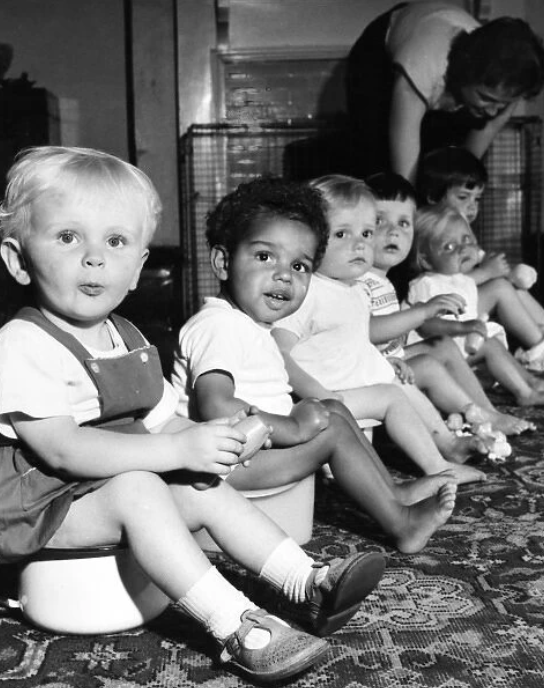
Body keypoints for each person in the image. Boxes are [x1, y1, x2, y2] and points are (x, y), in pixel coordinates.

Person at [0, 147, 387, 683]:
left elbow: (165, 421)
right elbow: (62, 449)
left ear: (139, 267)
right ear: (19, 259)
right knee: (142, 485)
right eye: (68, 237)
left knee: (195, 483)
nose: (94, 258)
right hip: (34, 506)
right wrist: (173, 450)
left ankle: (307, 580)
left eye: (115, 241)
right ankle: (236, 625)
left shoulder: (130, 339)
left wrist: (211, 439)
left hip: (98, 489)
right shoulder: (23, 343)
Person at [171, 175, 467, 555]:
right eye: (264, 257)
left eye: (299, 266)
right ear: (223, 262)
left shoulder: (247, 323)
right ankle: (401, 524)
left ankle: (390, 491)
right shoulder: (218, 326)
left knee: (332, 409)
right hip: (220, 466)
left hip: (247, 449)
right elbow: (216, 406)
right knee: (331, 433)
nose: (283, 274)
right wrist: (292, 426)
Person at [264, 174, 487, 476]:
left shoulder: (355, 289)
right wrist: (318, 392)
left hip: (345, 391)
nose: (359, 245)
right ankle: (438, 467)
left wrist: (386, 362)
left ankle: (444, 447)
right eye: (342, 234)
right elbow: (277, 352)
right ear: (308, 239)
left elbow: (358, 338)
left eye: (367, 234)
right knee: (391, 398)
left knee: (395, 388)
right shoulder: (308, 292)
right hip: (314, 401)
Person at [362, 171, 533, 437]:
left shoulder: (384, 280)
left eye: (404, 223)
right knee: (431, 360)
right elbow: (366, 333)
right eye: (379, 221)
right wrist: (421, 312)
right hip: (372, 368)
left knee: (442, 345)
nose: (393, 231)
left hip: (391, 359)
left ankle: (488, 412)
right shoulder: (358, 280)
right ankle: (471, 415)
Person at [416, 146, 544, 372]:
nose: (472, 206)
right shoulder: (430, 231)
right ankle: (542, 347)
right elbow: (443, 283)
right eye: (463, 197)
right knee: (500, 287)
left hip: (467, 307)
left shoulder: (462, 232)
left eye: (477, 198)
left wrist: (509, 273)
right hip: (446, 318)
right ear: (433, 196)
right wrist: (487, 273)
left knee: (510, 285)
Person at [346, 2, 544, 182]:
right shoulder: (426, 63)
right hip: (376, 58)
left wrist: (456, 190)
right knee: (376, 162)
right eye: (487, 98)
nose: (494, 111)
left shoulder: (510, 79)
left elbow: (473, 152)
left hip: (442, 58)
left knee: (441, 165)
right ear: (466, 73)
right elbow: (404, 162)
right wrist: (409, 211)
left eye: (502, 104)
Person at [406, 204, 544, 407]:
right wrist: (463, 328)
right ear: (426, 260)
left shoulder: (458, 279)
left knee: (493, 343)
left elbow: (476, 282)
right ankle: (524, 393)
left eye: (467, 240)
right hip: (437, 353)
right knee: (490, 346)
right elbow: (427, 325)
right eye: (449, 247)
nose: (463, 249)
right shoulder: (426, 284)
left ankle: (531, 381)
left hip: (459, 346)